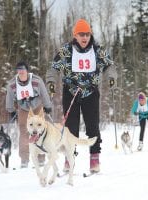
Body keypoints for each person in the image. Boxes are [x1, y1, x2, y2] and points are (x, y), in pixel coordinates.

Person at [46, 19, 117, 173]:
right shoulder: (66, 50)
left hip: (90, 92)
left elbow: (110, 65)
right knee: (71, 128)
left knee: (93, 126)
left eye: (87, 34)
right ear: (75, 35)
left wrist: (112, 77)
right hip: (70, 92)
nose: (84, 38)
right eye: (81, 34)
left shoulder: (98, 50)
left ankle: (94, 159)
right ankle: (69, 158)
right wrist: (51, 81)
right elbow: (53, 69)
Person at [6, 61, 52, 168]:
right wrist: (11, 110)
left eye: (23, 70)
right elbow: (9, 98)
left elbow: (44, 93)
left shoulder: (36, 81)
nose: (21, 73)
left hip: (37, 107)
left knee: (40, 131)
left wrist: (47, 106)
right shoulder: (12, 84)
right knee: (24, 131)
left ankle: (41, 157)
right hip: (23, 108)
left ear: (27, 71)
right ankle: (24, 159)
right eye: (19, 71)